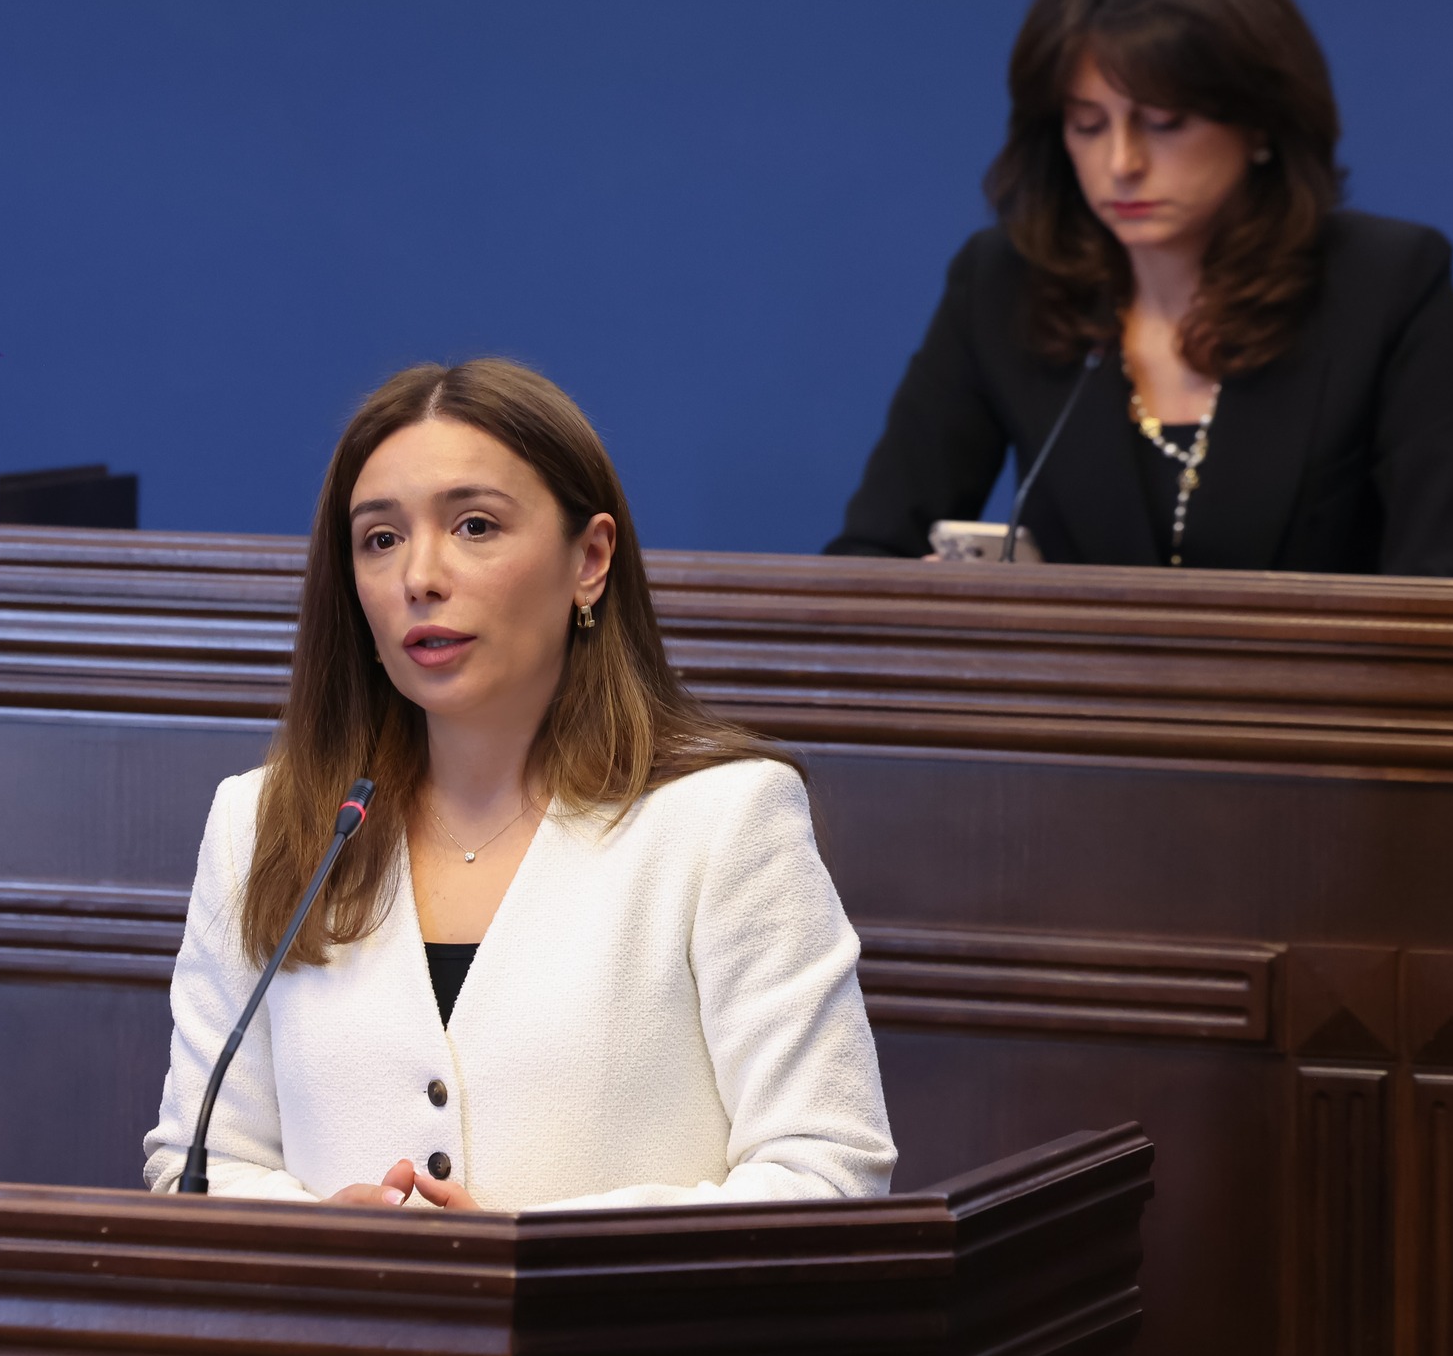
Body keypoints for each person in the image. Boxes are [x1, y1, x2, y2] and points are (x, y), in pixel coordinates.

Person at [144, 358, 895, 1211]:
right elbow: (199, 1164)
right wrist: (321, 1240)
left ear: (591, 559)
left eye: (474, 525)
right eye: (381, 539)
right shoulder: (264, 822)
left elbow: (829, 1170)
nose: (420, 576)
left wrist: (532, 1256)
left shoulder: (723, 819)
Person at [828, 0, 1453, 576]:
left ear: (1260, 122)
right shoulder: (1004, 284)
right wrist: (922, 601)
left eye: (1164, 122)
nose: (1121, 163)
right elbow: (868, 556)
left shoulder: (1385, 285)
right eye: (1088, 125)